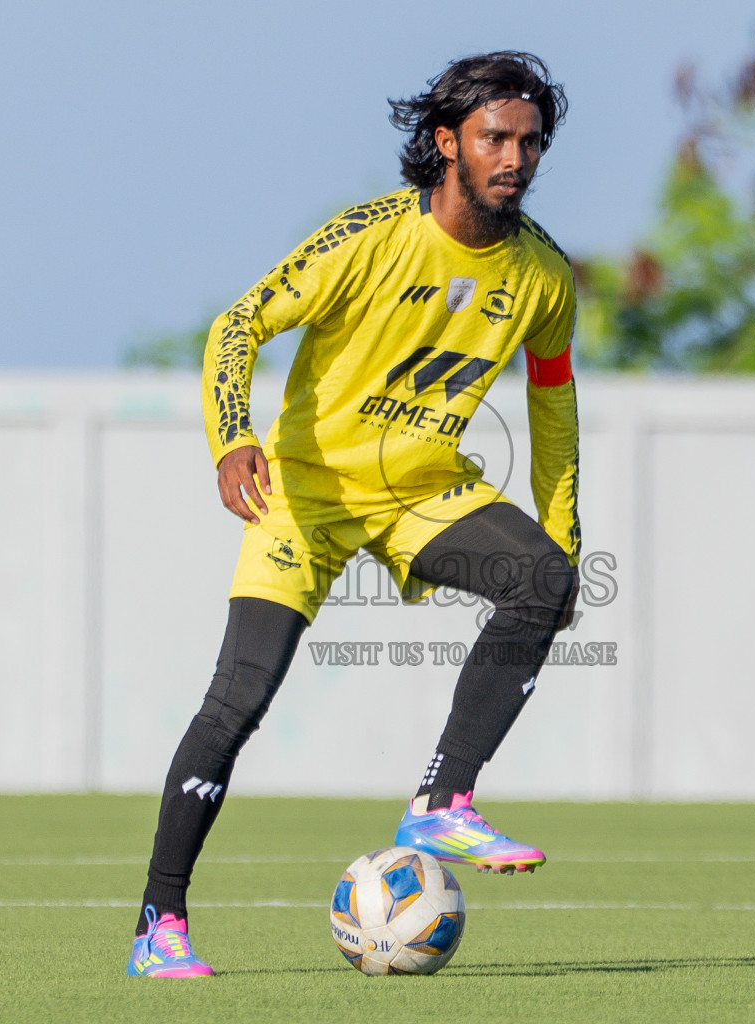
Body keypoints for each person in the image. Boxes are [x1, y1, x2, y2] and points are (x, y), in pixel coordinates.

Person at [128, 50, 580, 978]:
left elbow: (553, 407)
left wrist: (563, 535)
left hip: (423, 492)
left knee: (544, 579)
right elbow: (238, 326)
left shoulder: (543, 278)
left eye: (531, 142)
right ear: (447, 141)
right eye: (496, 138)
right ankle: (157, 924)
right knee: (239, 701)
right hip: (304, 492)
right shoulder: (369, 236)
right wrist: (231, 438)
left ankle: (441, 802)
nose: (516, 158)